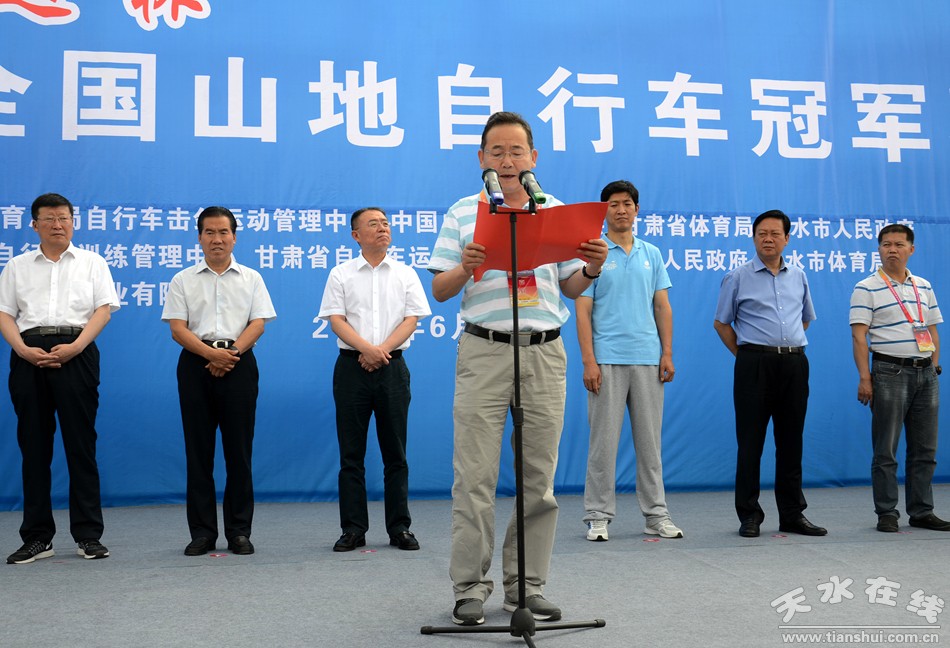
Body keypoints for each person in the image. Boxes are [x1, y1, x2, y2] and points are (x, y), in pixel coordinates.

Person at [428, 111, 608, 626]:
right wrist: (466, 267)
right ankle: (469, 588)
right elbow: (439, 290)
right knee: (474, 477)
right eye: (497, 152)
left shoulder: (555, 210)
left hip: (544, 352)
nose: (507, 161)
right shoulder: (464, 212)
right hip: (484, 350)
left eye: (516, 151)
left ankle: (526, 587)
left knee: (538, 479)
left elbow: (571, 286)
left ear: (533, 157)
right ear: (481, 158)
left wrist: (592, 266)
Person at [0, 192, 120, 564]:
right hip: (29, 354)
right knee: (34, 447)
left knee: (81, 446)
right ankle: (38, 538)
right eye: (49, 219)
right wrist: (22, 350)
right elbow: (4, 313)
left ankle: (88, 535)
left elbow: (103, 311)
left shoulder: (92, 262)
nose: (57, 225)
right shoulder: (17, 266)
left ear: (73, 222)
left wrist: (77, 346)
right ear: (34, 224)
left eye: (64, 218)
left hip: (77, 352)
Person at [161, 206, 276, 556]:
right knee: (199, 453)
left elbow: (258, 323)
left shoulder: (251, 278)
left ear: (234, 237)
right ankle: (202, 533)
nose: (217, 239)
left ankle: (239, 531)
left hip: (239, 363)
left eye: (223, 232)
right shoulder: (183, 279)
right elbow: (178, 328)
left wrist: (231, 354)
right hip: (195, 364)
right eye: (209, 232)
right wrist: (211, 355)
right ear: (199, 238)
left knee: (239, 452)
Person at [319, 207, 431, 552]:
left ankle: (400, 527)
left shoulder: (405, 273)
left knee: (395, 453)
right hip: (351, 369)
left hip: (392, 368)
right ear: (356, 235)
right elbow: (336, 320)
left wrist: (381, 351)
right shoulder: (341, 273)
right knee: (351, 454)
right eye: (373, 224)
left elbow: (412, 319)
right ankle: (353, 528)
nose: (382, 228)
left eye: (385, 223)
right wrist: (367, 349)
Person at [578, 180, 682, 543]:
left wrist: (666, 352)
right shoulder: (592, 253)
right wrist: (589, 361)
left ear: (637, 209)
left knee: (650, 445)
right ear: (603, 210)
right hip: (606, 360)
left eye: (627, 203)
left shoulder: (651, 253)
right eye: (613, 204)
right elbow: (583, 310)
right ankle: (597, 515)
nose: (621, 210)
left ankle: (656, 514)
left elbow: (662, 306)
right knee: (602, 445)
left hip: (648, 360)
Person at [713, 209, 827, 538]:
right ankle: (749, 515)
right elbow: (721, 323)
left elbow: (804, 319)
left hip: (794, 364)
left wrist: (783, 348)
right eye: (762, 233)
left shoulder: (799, 276)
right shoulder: (737, 277)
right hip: (754, 365)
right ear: (753, 238)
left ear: (786, 239)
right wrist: (749, 355)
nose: (768, 239)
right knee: (751, 444)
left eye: (775, 233)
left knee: (791, 442)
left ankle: (792, 514)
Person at [849, 224, 948, 533]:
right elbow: (859, 336)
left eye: (899, 244)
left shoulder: (924, 286)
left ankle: (922, 511)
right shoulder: (866, 287)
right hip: (889, 372)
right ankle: (887, 512)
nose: (892, 249)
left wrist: (934, 366)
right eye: (886, 244)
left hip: (926, 374)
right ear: (879, 249)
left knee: (925, 449)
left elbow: (932, 329)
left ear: (911, 249)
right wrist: (865, 378)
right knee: (886, 449)